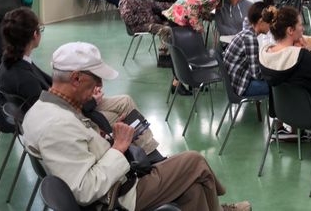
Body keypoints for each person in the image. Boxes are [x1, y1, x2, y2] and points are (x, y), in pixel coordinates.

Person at [21, 42, 251, 211]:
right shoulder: (57, 125)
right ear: (76, 78)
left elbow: (80, 152)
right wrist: (118, 147)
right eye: (96, 79)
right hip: (118, 197)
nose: (100, 85)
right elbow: (85, 189)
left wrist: (108, 139)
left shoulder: (45, 109)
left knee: (193, 190)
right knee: (195, 161)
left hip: (118, 182)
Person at [0, 8, 163, 161]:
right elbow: (60, 107)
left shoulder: (14, 63)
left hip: (73, 106)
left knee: (125, 101)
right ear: (34, 35)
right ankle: (150, 156)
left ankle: (149, 151)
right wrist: (91, 100)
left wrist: (88, 92)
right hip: (77, 113)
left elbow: (52, 91)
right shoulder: (25, 78)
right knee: (128, 112)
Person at [260, 6, 311, 154]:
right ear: (290, 30)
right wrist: (309, 51)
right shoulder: (300, 56)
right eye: (300, 24)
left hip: (283, 113)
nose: (303, 29)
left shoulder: (265, 53)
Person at [119, 0, 174, 66]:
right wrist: (148, 18)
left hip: (149, 23)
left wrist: (174, 5)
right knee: (166, 30)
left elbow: (155, 4)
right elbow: (128, 18)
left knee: (172, 24)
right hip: (138, 26)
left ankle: (172, 54)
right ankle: (163, 59)